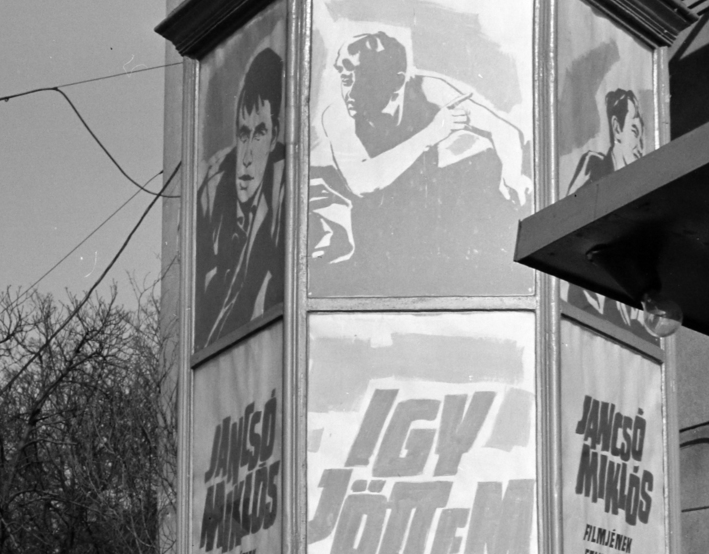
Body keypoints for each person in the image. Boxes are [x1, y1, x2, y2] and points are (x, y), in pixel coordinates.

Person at [309, 29, 531, 295]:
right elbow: (363, 182)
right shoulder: (337, 115)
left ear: (397, 80)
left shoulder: (428, 89)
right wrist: (432, 133)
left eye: (365, 77)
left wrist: (512, 175)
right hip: (377, 236)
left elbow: (504, 130)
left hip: (428, 219)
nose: (351, 90)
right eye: (345, 76)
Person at [195, 46, 287, 351]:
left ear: (274, 138)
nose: (246, 157)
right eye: (243, 134)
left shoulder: (283, 189)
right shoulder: (212, 191)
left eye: (259, 134)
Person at [566, 87, 645, 196]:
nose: (640, 148)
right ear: (617, 127)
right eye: (635, 132)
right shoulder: (592, 170)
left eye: (641, 138)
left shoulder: (637, 184)